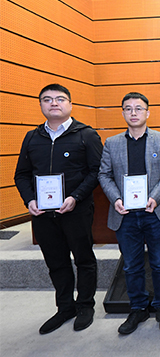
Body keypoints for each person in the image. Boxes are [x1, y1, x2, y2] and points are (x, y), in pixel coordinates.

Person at [14, 83, 103, 334]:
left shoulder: (86, 135)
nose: (54, 103)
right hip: (43, 214)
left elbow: (96, 171)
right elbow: (21, 175)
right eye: (47, 99)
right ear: (41, 104)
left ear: (70, 104)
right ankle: (65, 307)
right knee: (56, 262)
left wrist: (76, 196)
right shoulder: (32, 137)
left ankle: (85, 306)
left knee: (84, 259)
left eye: (60, 99)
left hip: (76, 210)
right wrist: (29, 200)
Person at [98, 92, 160, 334]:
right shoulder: (111, 143)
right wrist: (116, 199)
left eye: (138, 108)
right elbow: (104, 174)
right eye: (128, 108)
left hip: (156, 211)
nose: (133, 113)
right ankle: (138, 308)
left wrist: (155, 196)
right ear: (123, 112)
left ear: (147, 112)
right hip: (125, 215)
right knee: (131, 265)